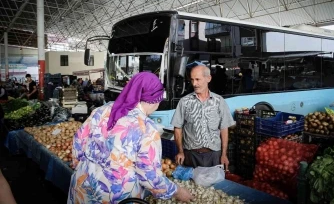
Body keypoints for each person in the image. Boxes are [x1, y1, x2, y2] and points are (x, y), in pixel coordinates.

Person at [68, 72, 193, 204]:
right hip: (114, 196)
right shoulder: (146, 127)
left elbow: (78, 143)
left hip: (82, 188)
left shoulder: (102, 110)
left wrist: (86, 168)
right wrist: (177, 191)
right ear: (155, 99)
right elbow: (150, 177)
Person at [171, 65, 235, 170]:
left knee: (213, 186)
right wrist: (181, 152)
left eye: (197, 79)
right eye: (192, 80)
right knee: (191, 185)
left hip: (214, 155)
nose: (194, 84)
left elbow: (224, 129)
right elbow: (177, 127)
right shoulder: (185, 102)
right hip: (191, 155)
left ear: (208, 79)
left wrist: (224, 154)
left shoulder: (219, 101)